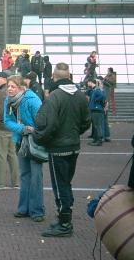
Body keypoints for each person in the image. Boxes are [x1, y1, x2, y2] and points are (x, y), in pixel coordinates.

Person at [34, 62, 91, 237]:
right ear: (69, 76)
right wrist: (74, 133)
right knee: (66, 183)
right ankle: (63, 219)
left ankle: (65, 223)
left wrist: (40, 139)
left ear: (54, 77)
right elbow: (86, 122)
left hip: (58, 147)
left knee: (60, 186)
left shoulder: (54, 97)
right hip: (73, 146)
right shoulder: (81, 96)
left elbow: (46, 124)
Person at [4, 75, 45, 222]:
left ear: (21, 88)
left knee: (36, 176)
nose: (9, 89)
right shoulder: (8, 101)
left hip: (35, 141)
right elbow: (7, 121)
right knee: (25, 175)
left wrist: (32, 130)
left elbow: (42, 121)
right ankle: (23, 208)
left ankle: (37, 210)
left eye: (13, 86)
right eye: (8, 86)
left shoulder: (33, 101)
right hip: (20, 140)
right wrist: (22, 129)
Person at [86, 78, 105, 146]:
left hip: (96, 110)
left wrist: (96, 101)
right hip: (94, 110)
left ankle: (99, 140)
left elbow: (102, 96)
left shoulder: (97, 90)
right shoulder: (95, 90)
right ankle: (96, 139)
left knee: (97, 125)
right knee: (96, 125)